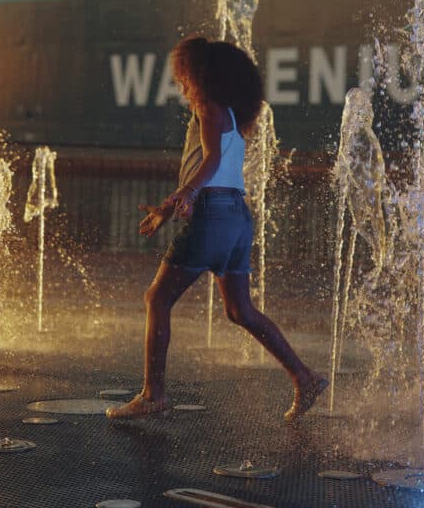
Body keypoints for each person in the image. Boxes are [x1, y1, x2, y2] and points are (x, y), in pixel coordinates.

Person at [106, 35, 328, 422]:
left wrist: (186, 193)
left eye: (183, 75)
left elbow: (209, 162)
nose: (181, 83)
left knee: (157, 299)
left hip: (214, 214)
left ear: (197, 73)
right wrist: (173, 204)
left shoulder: (209, 107)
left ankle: (153, 395)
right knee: (240, 310)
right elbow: (215, 165)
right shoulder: (229, 116)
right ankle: (304, 376)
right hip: (237, 217)